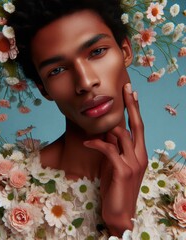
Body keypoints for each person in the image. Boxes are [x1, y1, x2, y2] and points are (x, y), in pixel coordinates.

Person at [8, 0, 148, 237]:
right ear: (43, 89)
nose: (85, 82)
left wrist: (121, 226)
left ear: (125, 51)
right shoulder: (0, 192)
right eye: (57, 70)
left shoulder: (178, 193)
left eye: (97, 52)